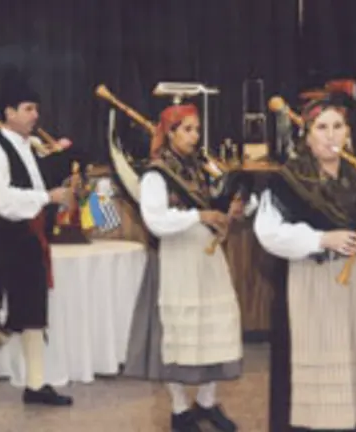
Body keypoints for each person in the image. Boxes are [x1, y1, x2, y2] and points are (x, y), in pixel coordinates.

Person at [253, 94, 356, 431]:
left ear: (348, 132)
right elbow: (268, 233)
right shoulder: (288, 181)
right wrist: (321, 239)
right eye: (321, 127)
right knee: (324, 355)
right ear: (308, 135)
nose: (331, 135)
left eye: (338, 126)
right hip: (315, 282)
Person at [128, 103, 253, 432]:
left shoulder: (204, 165)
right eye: (187, 130)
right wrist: (199, 216)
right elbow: (155, 220)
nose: (194, 136)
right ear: (169, 133)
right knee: (180, 334)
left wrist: (239, 207)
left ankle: (208, 402)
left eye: (197, 130)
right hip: (176, 258)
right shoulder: (156, 173)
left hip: (208, 257)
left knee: (214, 329)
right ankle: (180, 409)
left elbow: (227, 194)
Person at [0, 67, 74, 409]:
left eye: (36, 109)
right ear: (8, 112)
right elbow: (4, 201)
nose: (35, 116)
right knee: (11, 311)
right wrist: (48, 198)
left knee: (34, 311)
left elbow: (36, 185)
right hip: (9, 240)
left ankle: (35, 385)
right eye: (28, 109)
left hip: (33, 239)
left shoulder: (31, 146)